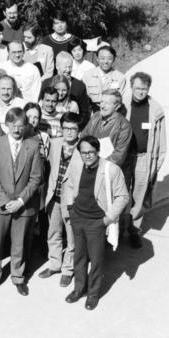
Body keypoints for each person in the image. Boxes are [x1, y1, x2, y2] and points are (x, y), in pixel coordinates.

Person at [62, 136, 129, 311]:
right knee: (79, 256)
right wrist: (70, 206)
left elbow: (123, 196)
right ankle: (78, 288)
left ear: (98, 151)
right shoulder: (76, 165)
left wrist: (107, 219)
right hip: (78, 218)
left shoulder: (111, 169)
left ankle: (92, 293)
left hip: (96, 222)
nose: (87, 156)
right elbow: (68, 184)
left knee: (97, 259)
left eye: (91, 152)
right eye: (84, 153)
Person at [0, 107, 42, 297]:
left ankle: (18, 277)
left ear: (25, 126)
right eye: (14, 125)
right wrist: (4, 199)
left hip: (23, 204)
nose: (17, 129)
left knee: (19, 244)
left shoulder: (32, 145)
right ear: (7, 124)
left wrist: (20, 201)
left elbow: (36, 178)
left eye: (21, 125)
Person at [122, 72, 166, 248]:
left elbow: (162, 141)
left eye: (144, 89)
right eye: (137, 88)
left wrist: (156, 164)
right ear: (131, 87)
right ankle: (116, 229)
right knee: (121, 194)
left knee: (139, 196)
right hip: (124, 158)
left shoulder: (155, 109)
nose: (140, 92)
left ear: (148, 89)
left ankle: (133, 230)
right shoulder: (122, 105)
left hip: (143, 159)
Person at [40, 112, 82, 287]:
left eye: (73, 129)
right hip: (54, 197)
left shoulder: (83, 148)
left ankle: (68, 270)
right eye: (66, 128)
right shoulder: (55, 144)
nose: (69, 132)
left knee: (71, 238)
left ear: (79, 130)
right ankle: (55, 263)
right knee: (53, 233)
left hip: (72, 201)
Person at [81, 89, 133, 167]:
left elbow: (118, 156)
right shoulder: (96, 116)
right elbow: (83, 137)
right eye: (101, 102)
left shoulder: (124, 126)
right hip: (88, 164)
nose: (102, 106)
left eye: (107, 103)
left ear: (117, 106)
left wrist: (98, 166)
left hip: (107, 169)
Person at [40, 51, 92, 128]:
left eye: (70, 67)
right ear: (57, 66)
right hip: (47, 126)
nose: (68, 70)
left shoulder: (79, 85)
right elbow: (40, 104)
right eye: (65, 67)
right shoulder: (47, 82)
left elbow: (84, 114)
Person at [82, 46, 129, 112]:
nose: (106, 61)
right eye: (102, 58)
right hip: (92, 113)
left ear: (114, 59)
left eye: (109, 58)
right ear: (97, 59)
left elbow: (120, 100)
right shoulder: (87, 75)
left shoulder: (120, 77)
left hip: (112, 113)